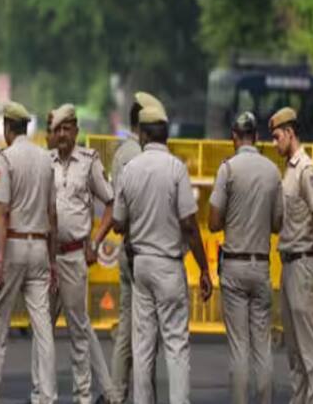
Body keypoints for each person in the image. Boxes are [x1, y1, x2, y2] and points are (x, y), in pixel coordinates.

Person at [113, 101, 213, 404]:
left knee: (142, 345)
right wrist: (204, 269)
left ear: (142, 135)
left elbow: (118, 223)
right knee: (176, 345)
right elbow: (190, 225)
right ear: (166, 135)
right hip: (169, 265)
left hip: (140, 265)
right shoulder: (176, 169)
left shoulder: (130, 169)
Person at [30, 104, 116, 404]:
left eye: (68, 128)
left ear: (76, 131)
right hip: (45, 257)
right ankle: (40, 394)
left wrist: (95, 241)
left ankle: (83, 396)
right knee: (42, 329)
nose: (62, 134)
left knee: (78, 330)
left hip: (75, 255)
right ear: (52, 134)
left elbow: (111, 203)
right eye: (58, 129)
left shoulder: (88, 161)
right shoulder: (44, 162)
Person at [0, 101, 58, 404]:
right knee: (43, 328)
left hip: (12, 246)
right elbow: (53, 213)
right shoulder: (45, 159)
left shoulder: (6, 158)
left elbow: (2, 213)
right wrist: (52, 261)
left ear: (9, 129)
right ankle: (48, 397)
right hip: (39, 246)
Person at [208, 112, 283, 404]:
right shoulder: (272, 171)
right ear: (258, 138)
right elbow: (278, 224)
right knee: (262, 346)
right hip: (261, 264)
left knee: (239, 347)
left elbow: (214, 222)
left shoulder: (228, 169)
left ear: (233, 137)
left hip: (235, 265)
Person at [109, 91, 164, 403]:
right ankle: (142, 395)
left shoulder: (123, 152)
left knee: (129, 329)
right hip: (142, 250)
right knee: (145, 333)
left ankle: (118, 392)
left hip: (129, 248)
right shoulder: (138, 155)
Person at [269, 107, 313, 404]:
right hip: (289, 263)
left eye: (277, 136)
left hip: (303, 261)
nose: (275, 143)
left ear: (290, 133)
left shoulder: (307, 169)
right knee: (293, 347)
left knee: (308, 348)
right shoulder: (288, 171)